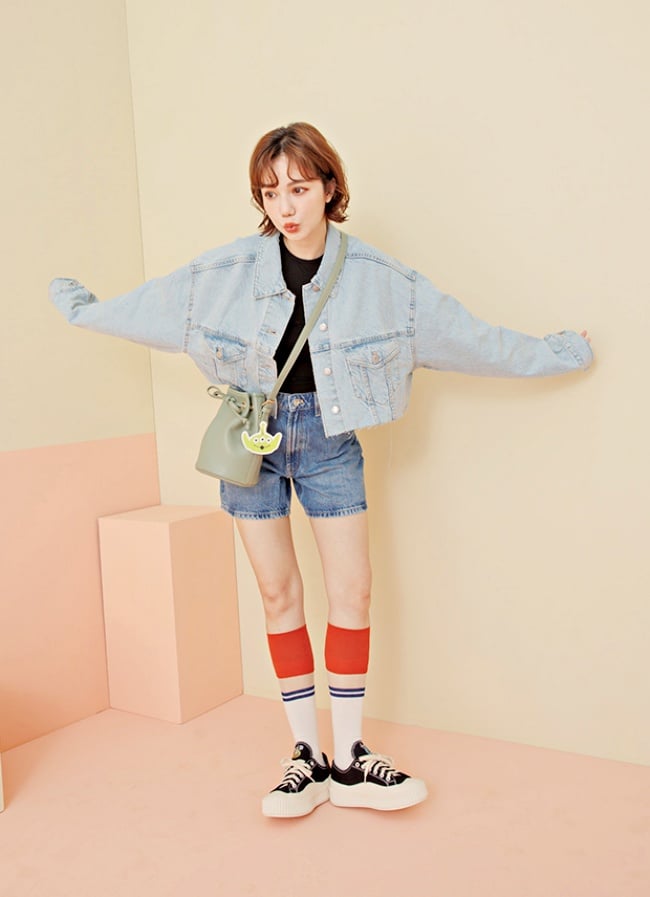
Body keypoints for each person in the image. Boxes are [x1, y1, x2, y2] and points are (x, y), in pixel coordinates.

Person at [50, 122, 592, 819]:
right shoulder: (227, 271)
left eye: (300, 188)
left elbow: (471, 338)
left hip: (330, 440)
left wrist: (556, 353)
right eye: (270, 191)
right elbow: (154, 308)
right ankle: (304, 755)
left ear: (331, 187)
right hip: (250, 443)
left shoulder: (379, 279)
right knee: (278, 594)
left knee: (352, 593)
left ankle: (351, 757)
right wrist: (82, 309)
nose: (285, 206)